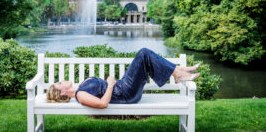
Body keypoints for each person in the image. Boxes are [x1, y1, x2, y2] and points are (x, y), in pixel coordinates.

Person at [47, 48, 200, 108]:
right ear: (62, 93)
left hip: (123, 87)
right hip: (125, 93)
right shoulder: (80, 95)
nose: (62, 80)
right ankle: (178, 73)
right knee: (143, 53)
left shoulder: (81, 86)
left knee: (145, 58)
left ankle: (178, 71)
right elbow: (102, 104)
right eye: (60, 83)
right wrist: (111, 85)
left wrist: (113, 84)